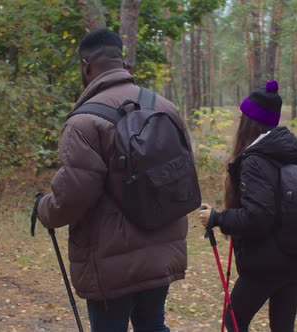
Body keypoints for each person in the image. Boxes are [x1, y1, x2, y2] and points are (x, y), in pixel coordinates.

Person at [36, 28, 189, 332]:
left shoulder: (84, 122)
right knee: (152, 325)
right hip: (162, 250)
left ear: (86, 65)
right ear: (121, 60)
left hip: (111, 263)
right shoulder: (165, 107)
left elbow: (72, 197)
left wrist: (44, 209)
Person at [198, 80, 297, 332]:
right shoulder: (290, 151)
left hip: (266, 263)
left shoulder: (255, 160)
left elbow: (259, 217)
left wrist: (218, 218)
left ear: (250, 122)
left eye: (242, 116)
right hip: (296, 258)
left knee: (233, 321)